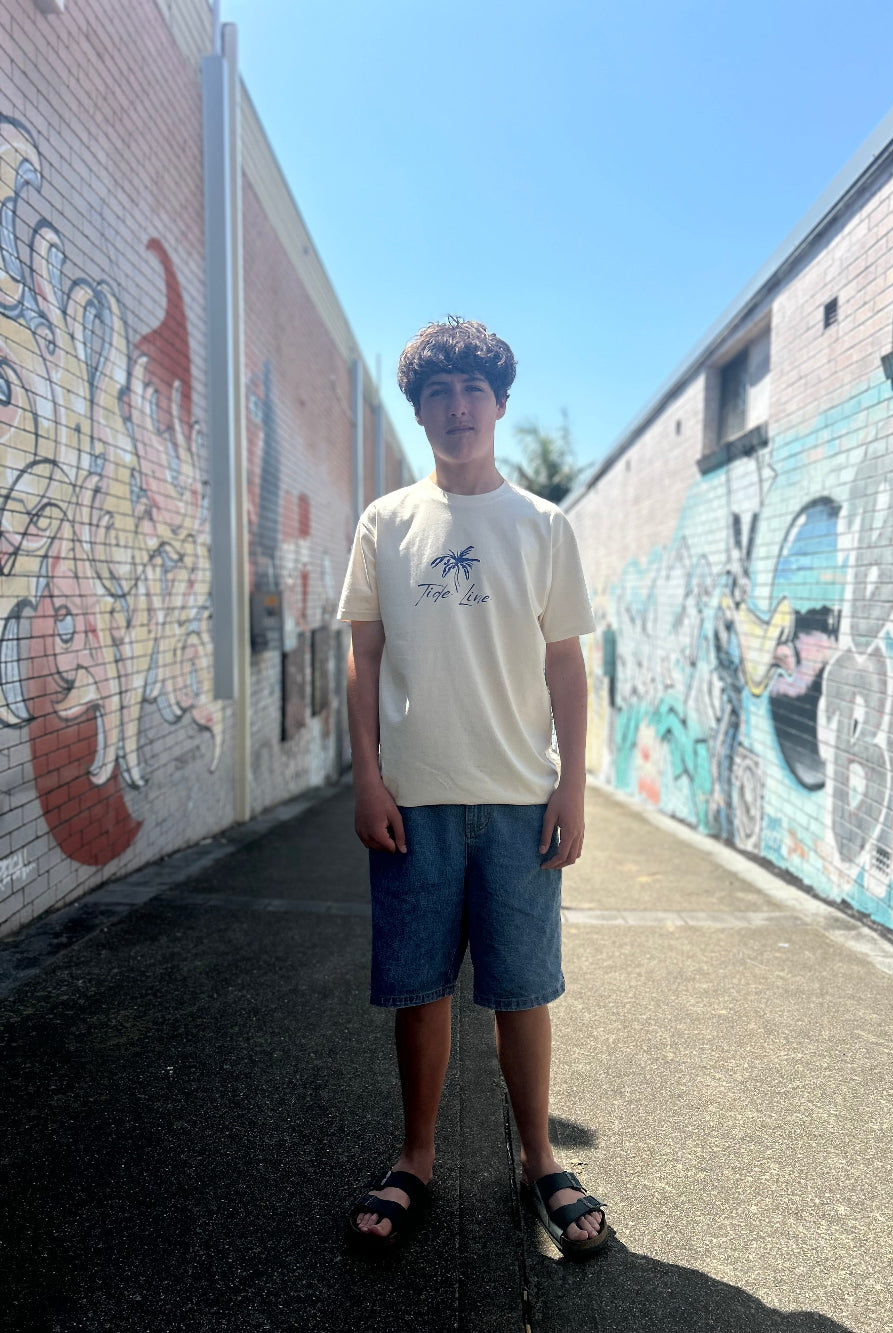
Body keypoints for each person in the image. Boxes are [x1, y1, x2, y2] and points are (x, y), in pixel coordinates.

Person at [338, 316, 608, 1259]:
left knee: (524, 990)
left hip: (521, 800)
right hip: (414, 800)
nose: (458, 406)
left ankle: (539, 1158)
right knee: (421, 992)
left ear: (499, 402)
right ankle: (416, 1155)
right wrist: (368, 775)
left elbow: (566, 667)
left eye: (473, 388)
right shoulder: (386, 522)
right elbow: (363, 657)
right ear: (419, 411)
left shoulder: (541, 524)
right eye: (438, 391)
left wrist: (574, 785)